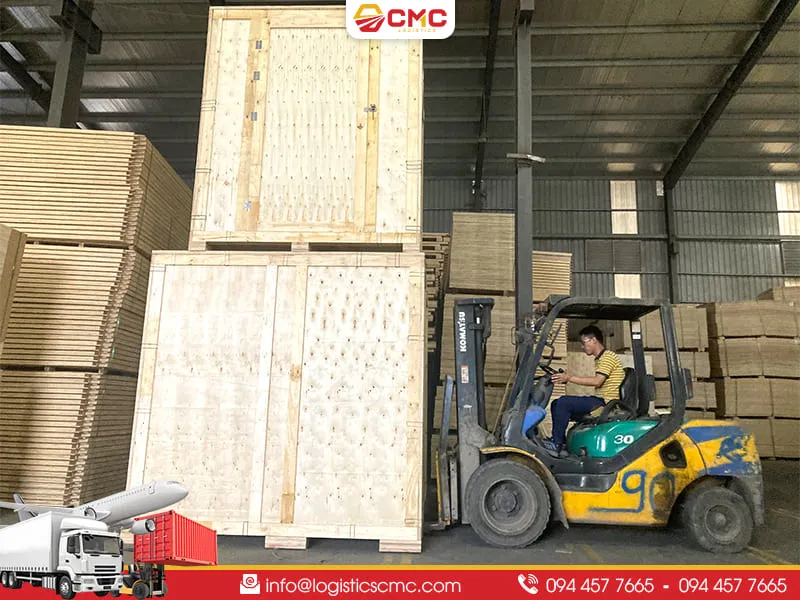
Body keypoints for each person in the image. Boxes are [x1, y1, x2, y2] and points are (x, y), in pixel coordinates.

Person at [542, 325, 625, 453]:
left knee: (564, 402)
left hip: (606, 403)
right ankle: (560, 442)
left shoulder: (608, 357)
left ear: (594, 340)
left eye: (583, 342)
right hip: (600, 400)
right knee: (556, 403)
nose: (582, 346)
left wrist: (569, 378)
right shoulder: (601, 358)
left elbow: (597, 381)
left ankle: (557, 444)